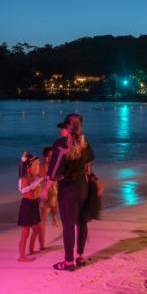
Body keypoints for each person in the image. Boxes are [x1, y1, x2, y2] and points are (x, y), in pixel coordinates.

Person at [47, 113, 95, 271]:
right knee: (81, 223)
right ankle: (80, 256)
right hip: (83, 186)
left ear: (68, 127)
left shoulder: (60, 144)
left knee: (68, 226)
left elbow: (54, 171)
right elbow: (89, 161)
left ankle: (68, 262)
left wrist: (46, 189)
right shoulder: (84, 142)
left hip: (68, 188)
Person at [17, 152, 44, 262]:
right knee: (25, 233)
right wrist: (37, 182)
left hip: (33, 204)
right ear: (28, 167)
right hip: (27, 205)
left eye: (39, 164)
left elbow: (43, 176)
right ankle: (22, 256)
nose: (38, 167)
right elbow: (23, 190)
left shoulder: (33, 176)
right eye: (36, 165)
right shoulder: (23, 178)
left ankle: (31, 250)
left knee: (37, 229)